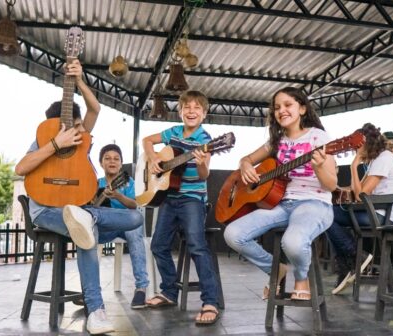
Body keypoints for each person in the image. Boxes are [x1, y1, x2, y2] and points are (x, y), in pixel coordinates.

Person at [15, 60, 143, 335]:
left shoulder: (81, 136)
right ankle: (96, 311)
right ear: (50, 126)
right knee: (88, 234)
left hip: (80, 208)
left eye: (73, 127)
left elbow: (95, 108)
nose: (70, 132)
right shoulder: (43, 139)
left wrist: (80, 79)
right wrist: (54, 145)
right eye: (63, 128)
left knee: (133, 216)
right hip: (47, 212)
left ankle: (87, 217)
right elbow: (20, 168)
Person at [224, 86, 337, 301]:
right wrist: (244, 164)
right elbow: (247, 159)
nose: (281, 111)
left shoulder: (319, 137)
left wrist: (320, 167)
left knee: (292, 241)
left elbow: (331, 185)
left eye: (288, 105)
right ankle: (276, 270)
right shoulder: (276, 141)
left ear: (302, 109)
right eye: (277, 107)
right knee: (233, 234)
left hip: (315, 203)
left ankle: (301, 279)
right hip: (282, 205)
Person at [142, 90, 221, 325]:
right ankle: (168, 292)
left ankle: (210, 301)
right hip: (169, 196)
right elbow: (147, 141)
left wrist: (201, 164)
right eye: (187, 107)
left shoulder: (205, 140)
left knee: (197, 246)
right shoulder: (173, 132)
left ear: (204, 114)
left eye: (197, 108)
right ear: (180, 111)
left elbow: (204, 175)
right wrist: (154, 158)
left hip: (192, 199)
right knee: (158, 245)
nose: (191, 111)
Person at [327, 123, 393, 295]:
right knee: (325, 216)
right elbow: (356, 190)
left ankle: (355, 256)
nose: (356, 150)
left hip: (387, 217)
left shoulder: (384, 158)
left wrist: (353, 166)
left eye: (358, 146)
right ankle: (349, 261)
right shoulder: (377, 161)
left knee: (325, 215)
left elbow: (360, 195)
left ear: (368, 144)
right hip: (377, 212)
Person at [96, 143, 149, 309]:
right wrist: (99, 199)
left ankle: (141, 287)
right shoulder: (96, 183)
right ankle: (90, 291)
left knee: (134, 229)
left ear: (121, 163)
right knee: (88, 232)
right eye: (107, 158)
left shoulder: (128, 183)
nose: (112, 162)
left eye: (116, 159)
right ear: (101, 163)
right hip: (105, 228)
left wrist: (118, 196)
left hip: (127, 226)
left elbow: (134, 205)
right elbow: (92, 208)